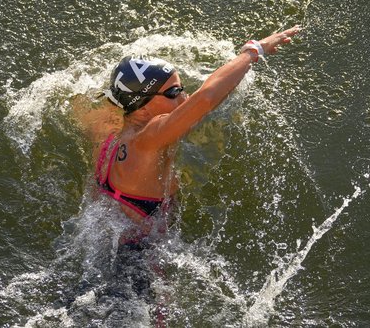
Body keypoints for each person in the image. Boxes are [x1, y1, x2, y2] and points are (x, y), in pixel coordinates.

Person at [74, 26, 300, 235]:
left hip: (104, 231)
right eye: (173, 93)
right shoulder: (149, 138)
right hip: (135, 255)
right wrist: (253, 51)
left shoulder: (106, 129)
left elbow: (76, 104)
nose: (185, 97)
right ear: (142, 110)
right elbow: (204, 99)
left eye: (181, 88)